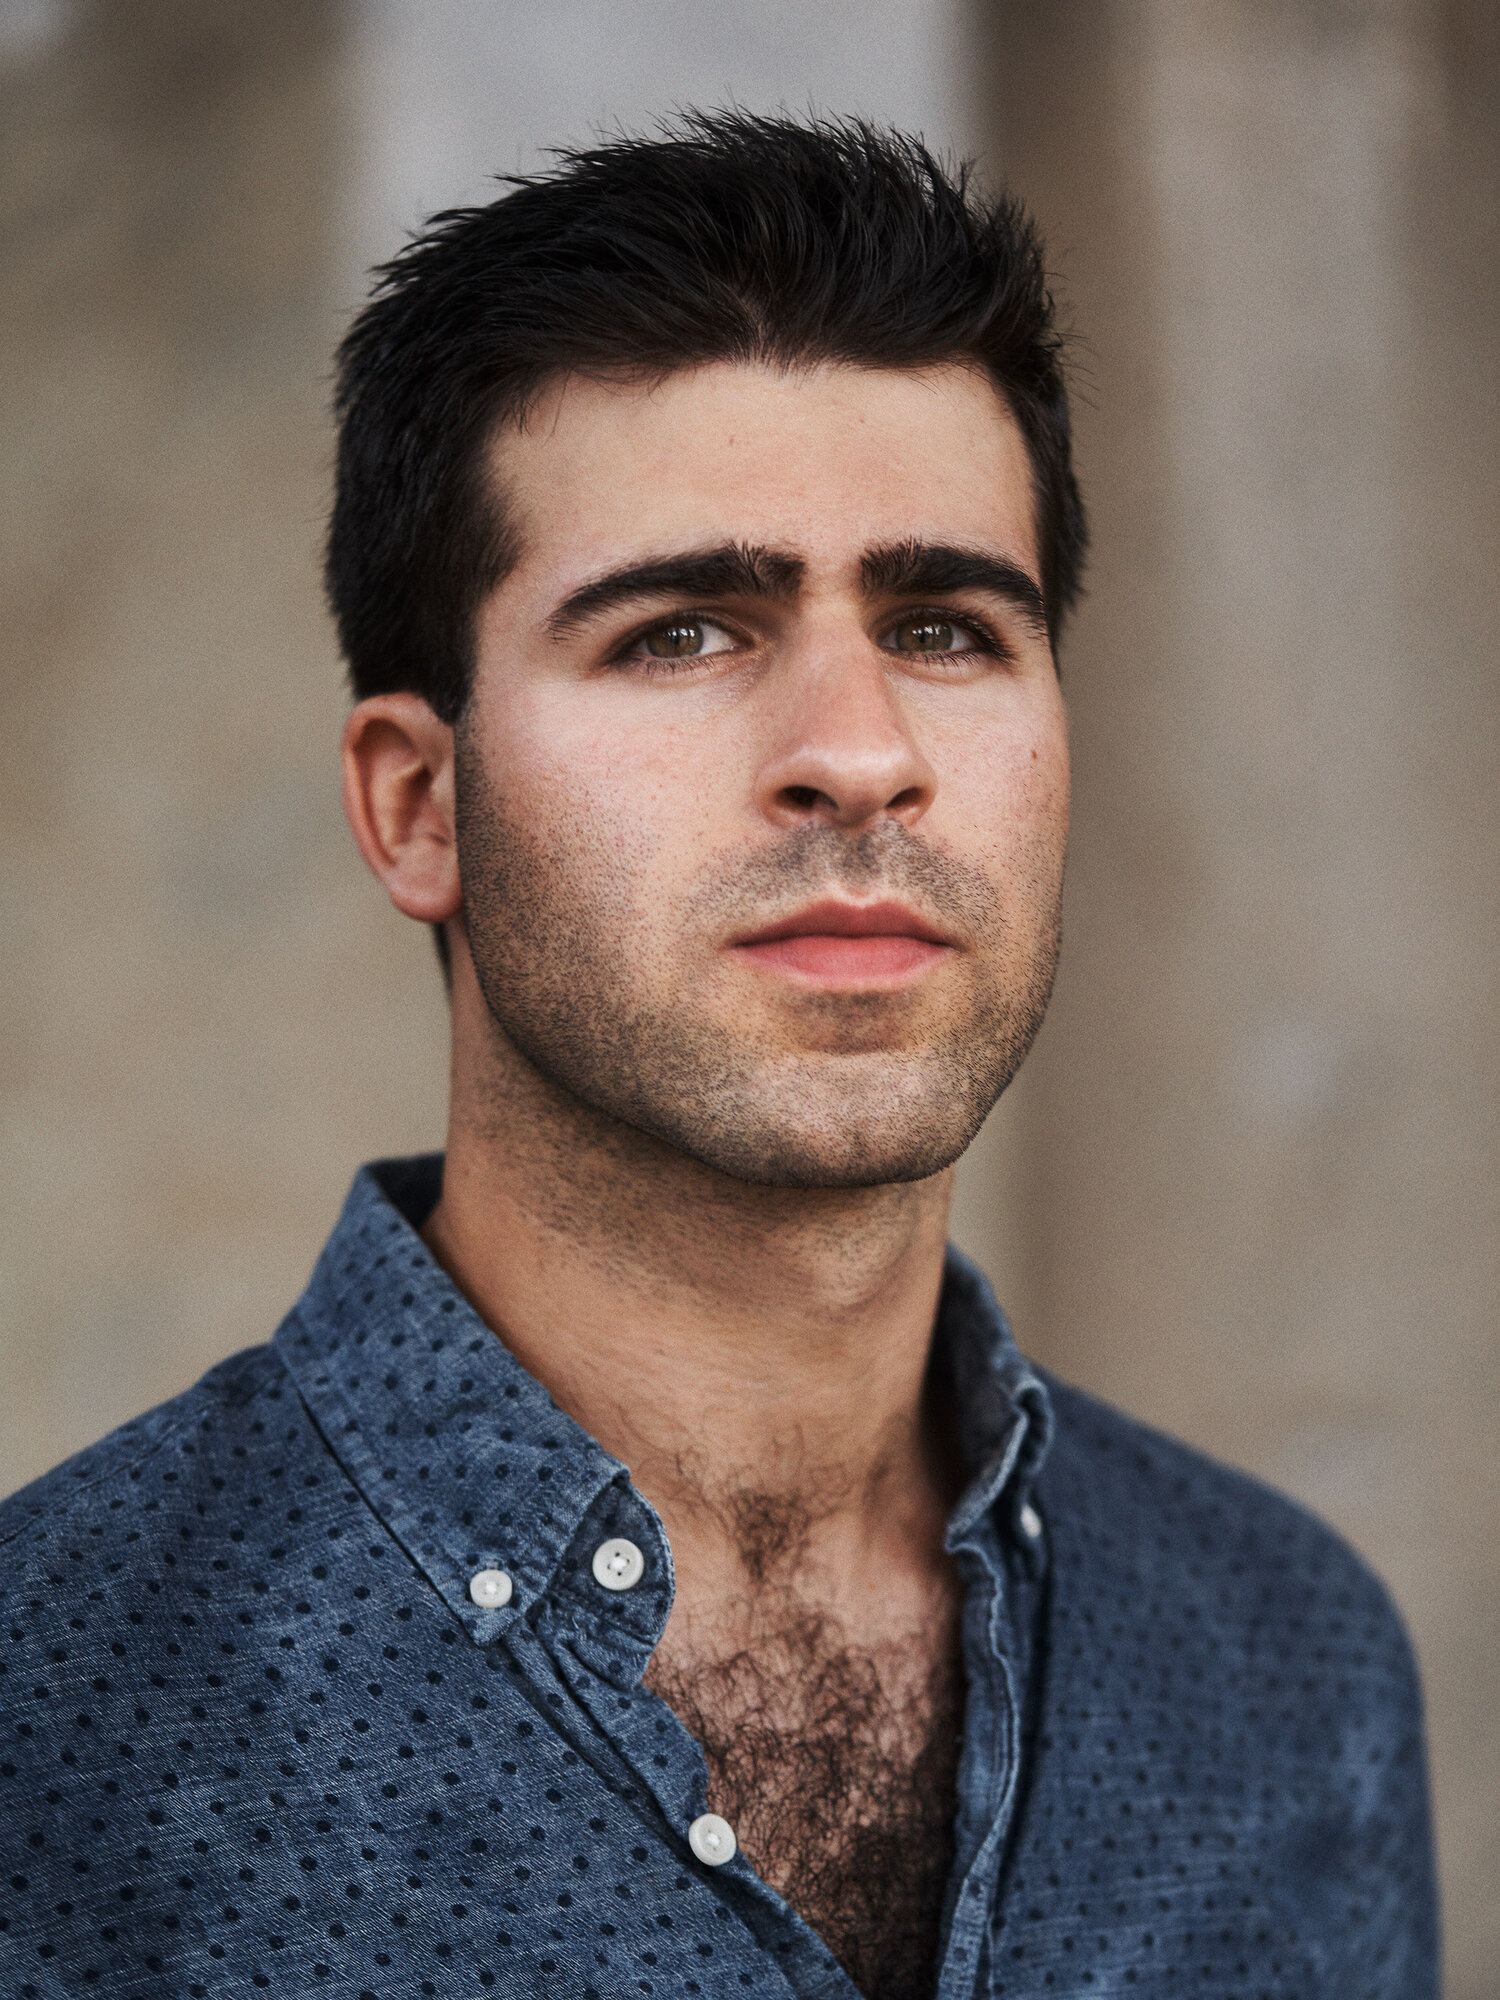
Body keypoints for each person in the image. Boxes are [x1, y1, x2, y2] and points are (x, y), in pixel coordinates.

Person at [0, 114, 1437, 2000]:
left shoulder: (1290, 1658)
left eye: (945, 626)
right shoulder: (53, 1721)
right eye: (682, 631)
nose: (861, 750)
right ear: (420, 804)